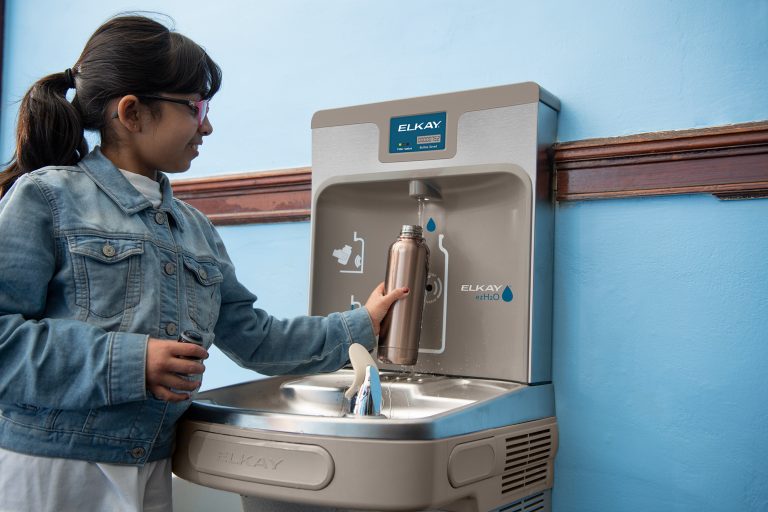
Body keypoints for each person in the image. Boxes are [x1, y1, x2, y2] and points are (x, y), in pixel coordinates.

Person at [0, 14, 407, 512]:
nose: (208, 124)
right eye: (195, 106)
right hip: (53, 473)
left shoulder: (195, 230)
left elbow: (257, 338)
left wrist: (360, 325)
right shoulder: (46, 198)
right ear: (132, 112)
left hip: (150, 467)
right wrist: (130, 362)